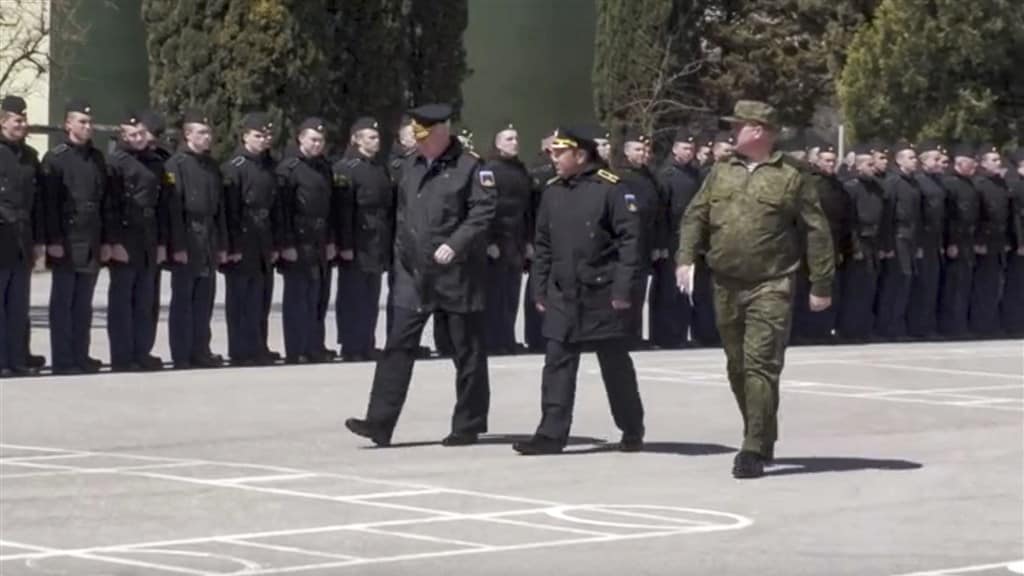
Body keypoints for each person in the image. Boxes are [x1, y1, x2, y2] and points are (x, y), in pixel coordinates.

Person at [676, 100, 834, 478]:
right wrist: (685, 258)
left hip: (772, 283)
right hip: (725, 283)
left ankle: (754, 447)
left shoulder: (792, 177)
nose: (732, 133)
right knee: (736, 367)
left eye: (739, 126)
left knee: (760, 365)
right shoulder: (721, 171)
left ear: (759, 130)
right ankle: (762, 430)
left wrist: (821, 283)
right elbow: (696, 215)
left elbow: (817, 231)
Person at [345, 103, 496, 447]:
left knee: (465, 349)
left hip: (456, 273)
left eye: (424, 136)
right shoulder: (410, 165)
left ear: (443, 133)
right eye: (416, 136)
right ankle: (379, 422)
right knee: (398, 345)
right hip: (414, 274)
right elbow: (403, 214)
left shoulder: (470, 167)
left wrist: (456, 244)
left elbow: (483, 213)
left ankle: (468, 424)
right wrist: (400, 255)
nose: (419, 143)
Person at [513, 126, 644, 455]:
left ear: (580, 155)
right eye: (552, 152)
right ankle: (551, 434)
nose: (553, 158)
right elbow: (542, 243)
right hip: (562, 292)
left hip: (602, 292)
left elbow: (631, 243)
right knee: (557, 362)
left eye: (560, 153)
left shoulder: (611, 188)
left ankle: (631, 427)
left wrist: (622, 289)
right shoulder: (553, 190)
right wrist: (539, 287)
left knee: (614, 364)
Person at [42, 99, 108, 374]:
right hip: (67, 239)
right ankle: (63, 358)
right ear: (68, 124)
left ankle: (81, 354)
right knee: (63, 303)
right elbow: (48, 205)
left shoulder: (96, 158)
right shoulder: (55, 158)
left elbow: (106, 202)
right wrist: (53, 240)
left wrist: (106, 240)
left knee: (83, 304)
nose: (87, 126)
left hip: (91, 236)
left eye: (90, 122)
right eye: (81, 121)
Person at [104, 110, 167, 371]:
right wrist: (113, 241)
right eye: (133, 134)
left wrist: (163, 242)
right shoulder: (115, 163)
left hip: (149, 235)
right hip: (126, 235)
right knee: (123, 299)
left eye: (141, 133)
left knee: (146, 299)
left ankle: (142, 351)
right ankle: (122, 355)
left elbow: (163, 205)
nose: (138, 138)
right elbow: (109, 205)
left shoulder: (155, 162)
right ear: (123, 135)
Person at [165, 111, 228, 369]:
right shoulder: (176, 164)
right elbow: (174, 209)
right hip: (188, 235)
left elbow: (220, 208)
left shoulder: (212, 166)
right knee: (183, 299)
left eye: (208, 132)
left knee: (205, 298)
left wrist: (223, 244)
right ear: (188, 134)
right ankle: (181, 353)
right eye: (201, 132)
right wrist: (178, 246)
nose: (207, 137)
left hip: (208, 236)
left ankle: (201, 349)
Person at [221, 112, 280, 366]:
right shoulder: (234, 167)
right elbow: (230, 210)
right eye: (258, 135)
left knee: (261, 296)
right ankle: (240, 349)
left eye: (266, 135)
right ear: (245, 136)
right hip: (243, 237)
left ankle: (259, 345)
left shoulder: (270, 166)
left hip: (264, 238)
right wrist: (232, 245)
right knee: (240, 298)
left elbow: (277, 207)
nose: (263, 140)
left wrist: (277, 242)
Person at [276, 118, 337, 364]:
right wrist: (287, 243)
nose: (317, 144)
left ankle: (315, 345)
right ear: (300, 138)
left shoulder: (323, 167)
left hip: (320, 237)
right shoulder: (289, 169)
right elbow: (283, 210)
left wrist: (332, 239)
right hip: (299, 238)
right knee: (298, 297)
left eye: (321, 140)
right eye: (312, 139)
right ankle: (296, 348)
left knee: (319, 295)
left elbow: (331, 207)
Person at [334, 117, 394, 362]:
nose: (376, 141)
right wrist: (346, 245)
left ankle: (367, 342)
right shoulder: (346, 168)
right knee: (352, 295)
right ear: (356, 140)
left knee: (371, 295)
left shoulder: (379, 168)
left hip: (376, 239)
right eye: (370, 137)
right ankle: (351, 344)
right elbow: (343, 211)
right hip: (357, 239)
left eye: (377, 137)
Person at [0, 95, 45, 376]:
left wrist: (39, 240)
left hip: (22, 238)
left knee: (18, 306)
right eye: (18, 120)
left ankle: (17, 358)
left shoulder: (29, 156)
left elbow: (38, 201)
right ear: (3, 121)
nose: (23, 124)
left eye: (24, 119)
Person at [481, 122, 532, 355]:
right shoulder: (489, 169)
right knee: (495, 295)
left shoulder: (520, 170)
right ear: (498, 143)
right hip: (497, 240)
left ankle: (507, 338)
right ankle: (493, 340)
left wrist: (529, 241)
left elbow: (527, 209)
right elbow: (485, 208)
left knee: (511, 293)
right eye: (509, 139)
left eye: (516, 138)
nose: (515, 142)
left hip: (517, 239)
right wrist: (488, 241)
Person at [652, 128, 703, 348]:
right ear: (674, 149)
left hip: (691, 239)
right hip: (673, 239)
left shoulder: (695, 174)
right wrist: (661, 242)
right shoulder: (666, 175)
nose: (688, 152)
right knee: (670, 290)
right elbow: (661, 212)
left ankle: (682, 333)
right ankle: (667, 335)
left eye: (691, 148)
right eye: (684, 147)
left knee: (687, 289)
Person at [837, 144, 889, 342]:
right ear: (858, 167)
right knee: (854, 290)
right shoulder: (851, 188)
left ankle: (863, 328)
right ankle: (848, 330)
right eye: (868, 164)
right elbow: (849, 221)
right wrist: (854, 246)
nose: (872, 167)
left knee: (869, 287)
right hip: (858, 242)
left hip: (874, 242)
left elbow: (884, 218)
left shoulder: (877, 187)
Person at [617, 128, 664, 345]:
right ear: (627, 151)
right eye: (638, 149)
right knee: (625, 289)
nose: (643, 153)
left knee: (639, 291)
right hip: (627, 241)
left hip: (645, 240)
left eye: (645, 150)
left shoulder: (649, 176)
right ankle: (622, 333)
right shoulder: (620, 176)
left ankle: (634, 333)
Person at [875, 141, 922, 339]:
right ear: (900, 160)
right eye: (910, 157)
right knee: (896, 281)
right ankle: (886, 326)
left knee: (907, 281)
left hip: (911, 237)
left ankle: (897, 324)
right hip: (897, 236)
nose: (915, 161)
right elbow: (886, 215)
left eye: (915, 157)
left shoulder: (914, 183)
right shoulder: (893, 183)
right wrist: (886, 244)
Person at [939, 144, 981, 339]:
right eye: (971, 162)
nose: (974, 166)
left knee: (965, 284)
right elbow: (949, 216)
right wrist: (951, 242)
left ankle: (960, 324)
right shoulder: (949, 184)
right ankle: (950, 326)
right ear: (960, 163)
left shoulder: (971, 184)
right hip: (955, 241)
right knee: (953, 286)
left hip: (969, 240)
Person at [907, 141, 948, 338]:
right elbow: (917, 215)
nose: (940, 162)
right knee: (921, 286)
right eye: (936, 159)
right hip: (922, 241)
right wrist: (919, 243)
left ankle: (928, 325)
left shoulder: (939, 181)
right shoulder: (918, 182)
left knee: (932, 285)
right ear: (924, 162)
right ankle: (918, 327)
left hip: (935, 241)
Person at [969, 145, 1010, 337]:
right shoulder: (978, 184)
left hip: (999, 240)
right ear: (983, 164)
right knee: (982, 284)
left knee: (995, 284)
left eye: (998, 160)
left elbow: (1007, 214)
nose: (998, 163)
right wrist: (979, 240)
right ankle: (980, 325)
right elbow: (976, 215)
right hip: (983, 240)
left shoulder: (1002, 184)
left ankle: (991, 322)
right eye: (993, 160)